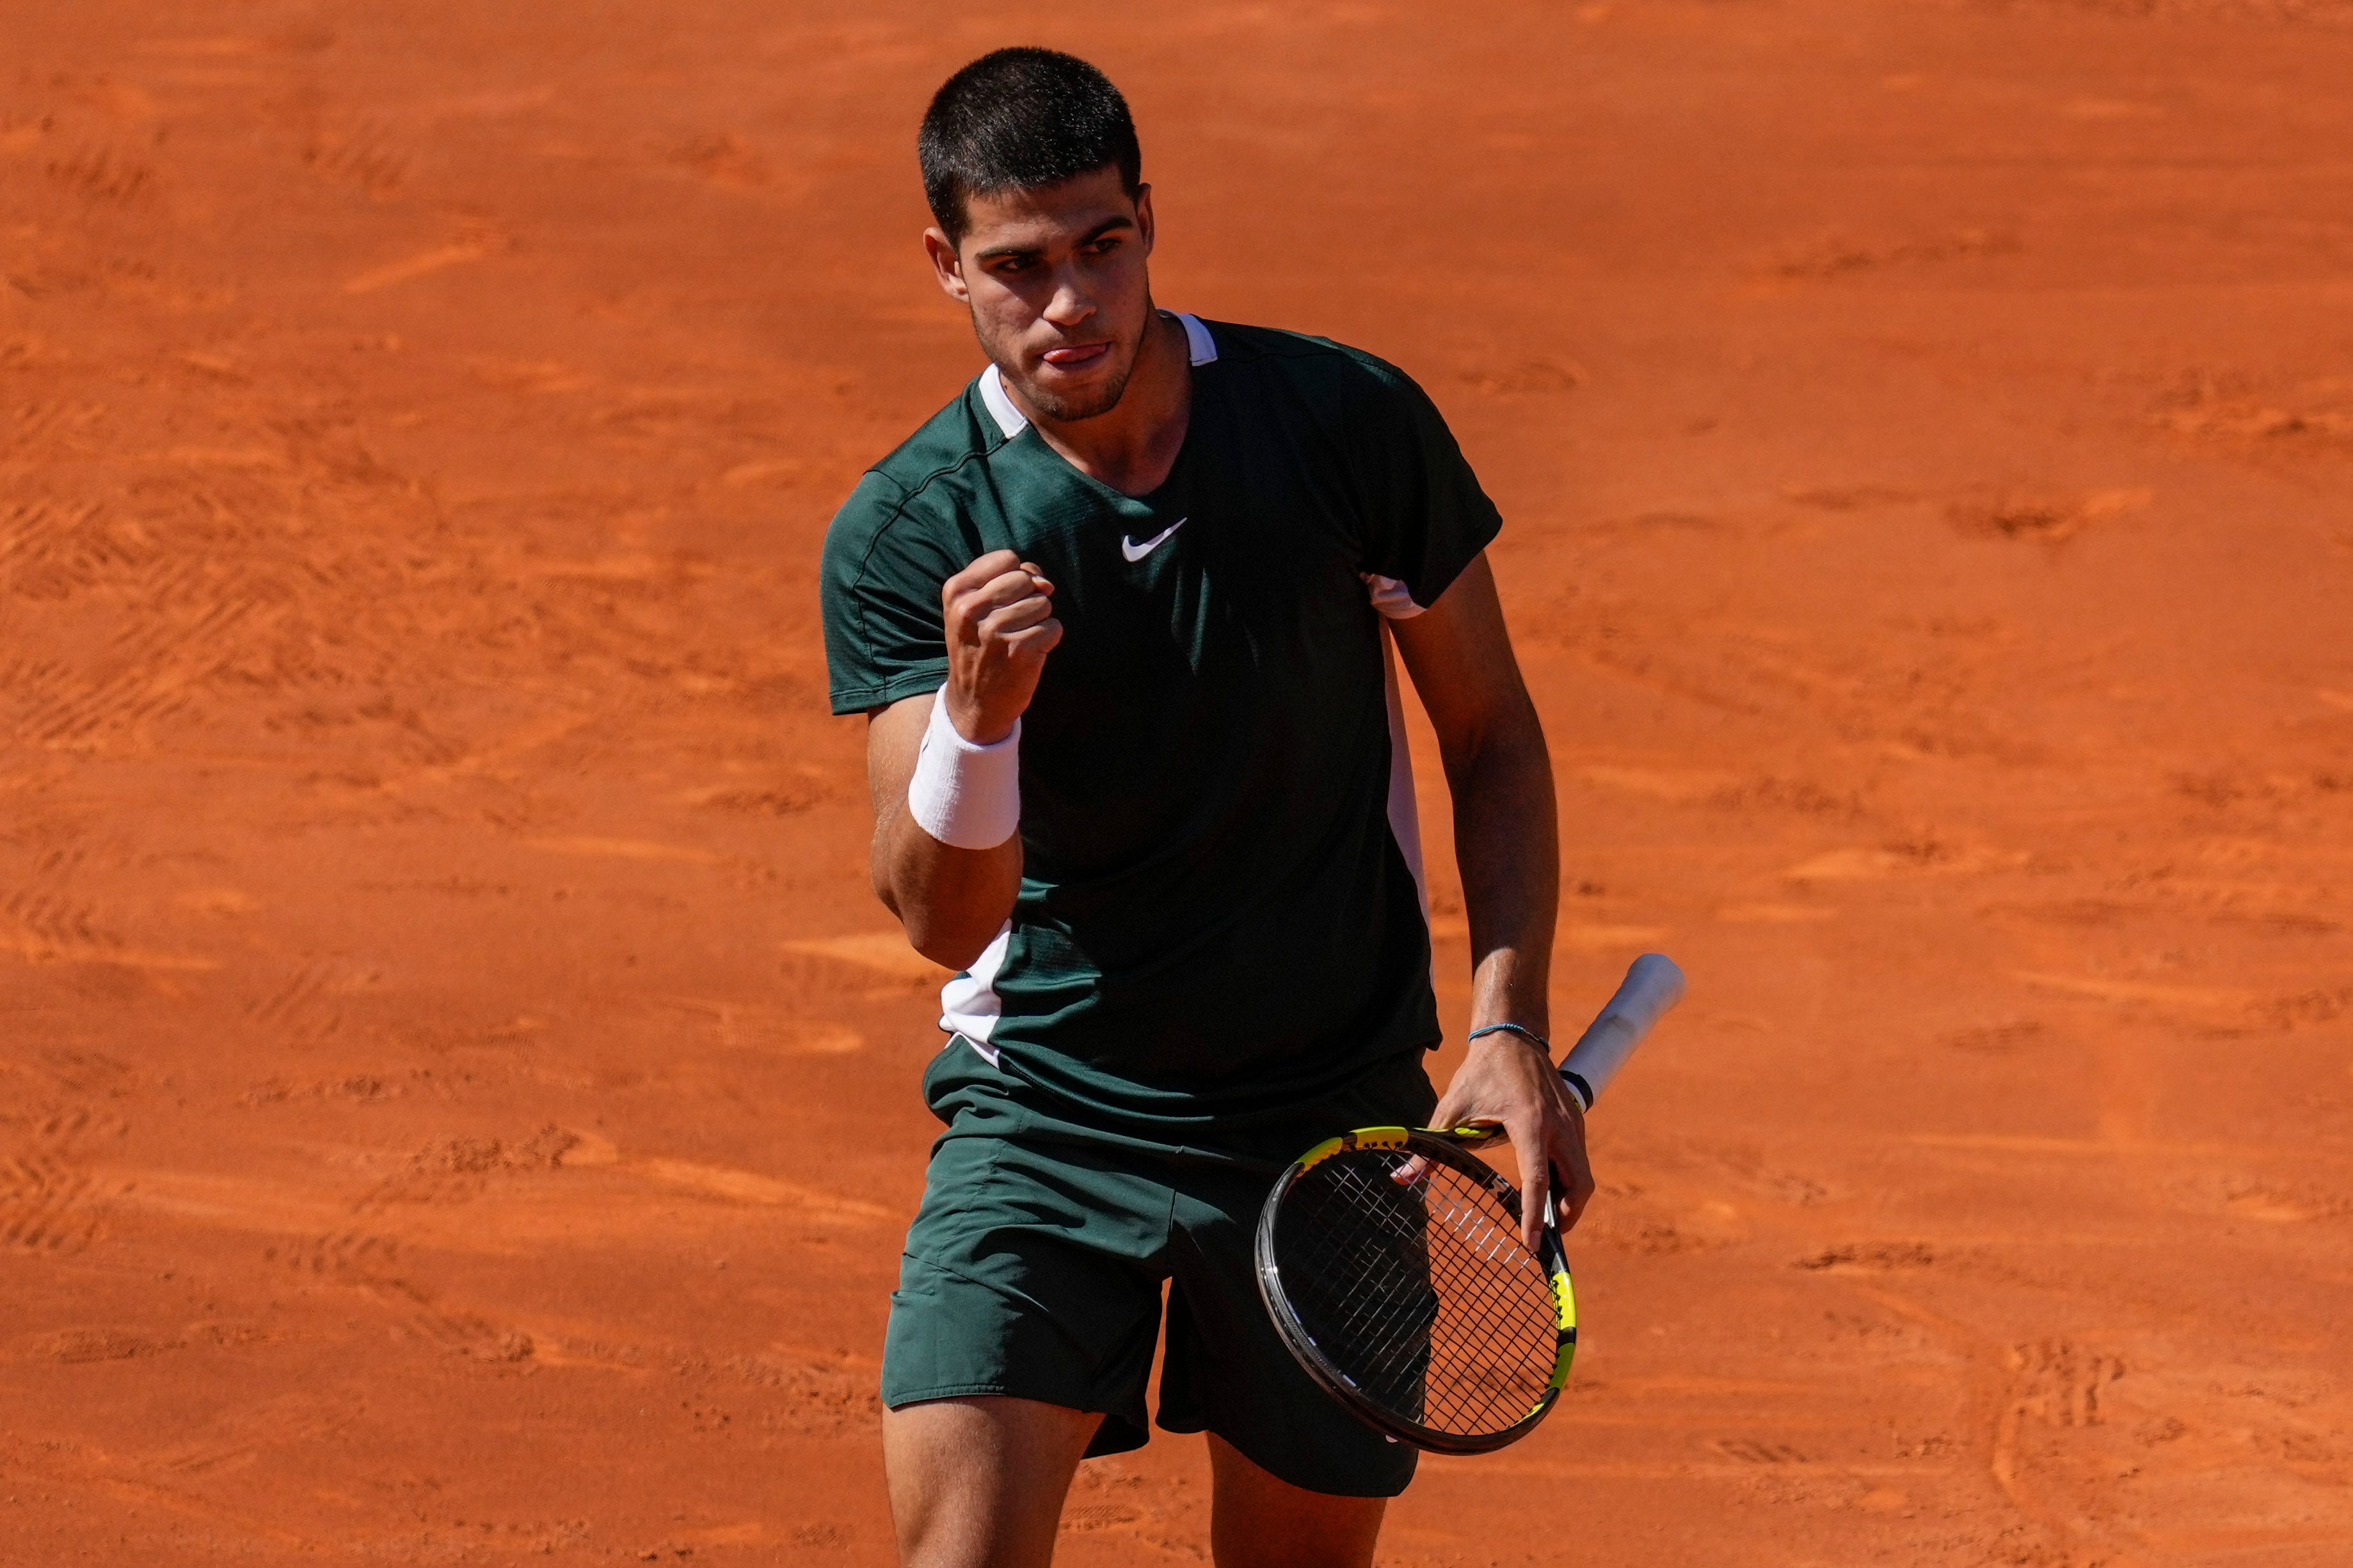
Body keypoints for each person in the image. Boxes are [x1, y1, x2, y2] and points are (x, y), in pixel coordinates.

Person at [819, 46, 1591, 1568]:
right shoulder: (913, 529)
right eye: (1019, 267)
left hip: (1327, 1112)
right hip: (1046, 1112)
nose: (1071, 305)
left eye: (1103, 247)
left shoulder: (1342, 426)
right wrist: (977, 720)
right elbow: (938, 915)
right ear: (944, 266)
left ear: (1151, 220)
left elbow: (1491, 729)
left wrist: (1507, 1020)